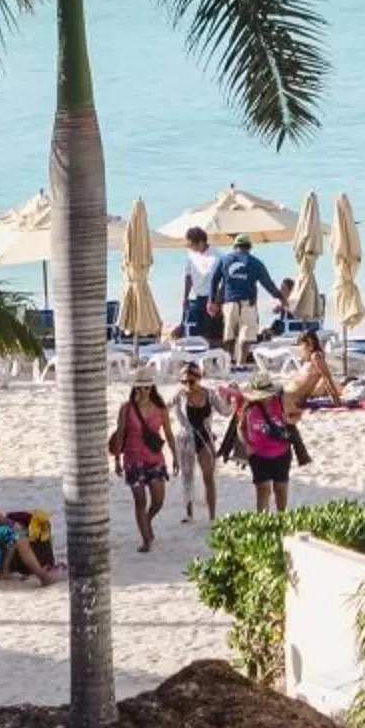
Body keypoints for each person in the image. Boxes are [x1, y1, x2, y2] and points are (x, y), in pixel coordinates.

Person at [0, 435, 56, 585]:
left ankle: (4, 571)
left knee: (13, 529)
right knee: (18, 534)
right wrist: (9, 522)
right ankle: (43, 577)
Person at [109, 377, 176, 552]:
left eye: (147, 387)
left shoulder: (161, 409)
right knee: (140, 500)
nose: (144, 391)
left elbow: (168, 433)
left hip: (154, 458)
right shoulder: (126, 408)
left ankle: (145, 520)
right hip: (133, 458)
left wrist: (175, 456)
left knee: (158, 501)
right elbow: (121, 433)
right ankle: (146, 539)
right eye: (140, 388)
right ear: (135, 389)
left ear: (152, 388)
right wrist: (116, 459)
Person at [210, 236, 287, 364]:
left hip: (229, 303)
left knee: (229, 336)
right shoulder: (255, 262)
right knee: (246, 337)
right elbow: (267, 283)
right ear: (249, 247)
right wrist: (280, 297)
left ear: (235, 246)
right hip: (248, 304)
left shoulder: (225, 260)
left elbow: (214, 281)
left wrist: (211, 300)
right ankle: (241, 363)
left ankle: (230, 362)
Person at [238, 372, 295, 512]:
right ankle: (263, 525)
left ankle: (281, 520)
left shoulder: (281, 402)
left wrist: (289, 420)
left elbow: (294, 417)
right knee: (262, 491)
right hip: (258, 455)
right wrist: (246, 445)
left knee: (280, 489)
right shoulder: (248, 407)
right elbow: (241, 427)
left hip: (281, 453)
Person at [178, 358, 220, 522]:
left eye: (191, 381)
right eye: (184, 381)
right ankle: (188, 514)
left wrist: (233, 398)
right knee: (187, 477)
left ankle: (212, 516)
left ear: (199, 378)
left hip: (205, 438)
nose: (188, 384)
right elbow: (163, 408)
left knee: (208, 478)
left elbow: (225, 411)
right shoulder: (179, 395)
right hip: (186, 439)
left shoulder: (209, 394)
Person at [176, 222, 223, 345]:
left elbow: (222, 282)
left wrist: (217, 302)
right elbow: (188, 277)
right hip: (198, 298)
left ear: (201, 242)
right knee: (198, 332)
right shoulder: (191, 256)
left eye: (191, 244)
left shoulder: (217, 256)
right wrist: (185, 297)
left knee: (212, 332)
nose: (190, 247)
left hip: (212, 298)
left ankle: (214, 357)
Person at [287, 326, 344, 411]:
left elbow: (327, 378)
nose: (301, 348)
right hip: (292, 396)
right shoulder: (309, 359)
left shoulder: (316, 356)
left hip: (294, 398)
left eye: (302, 345)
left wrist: (336, 400)